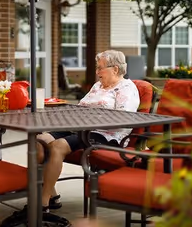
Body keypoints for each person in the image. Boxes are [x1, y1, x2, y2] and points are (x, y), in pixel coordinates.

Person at [37, 50, 140, 212]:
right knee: (40, 140)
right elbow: (81, 107)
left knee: (58, 146)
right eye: (97, 68)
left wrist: (90, 119)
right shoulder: (97, 85)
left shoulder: (127, 88)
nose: (97, 72)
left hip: (106, 135)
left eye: (101, 68)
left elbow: (124, 119)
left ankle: (42, 204)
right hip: (80, 128)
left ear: (115, 69)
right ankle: (51, 194)